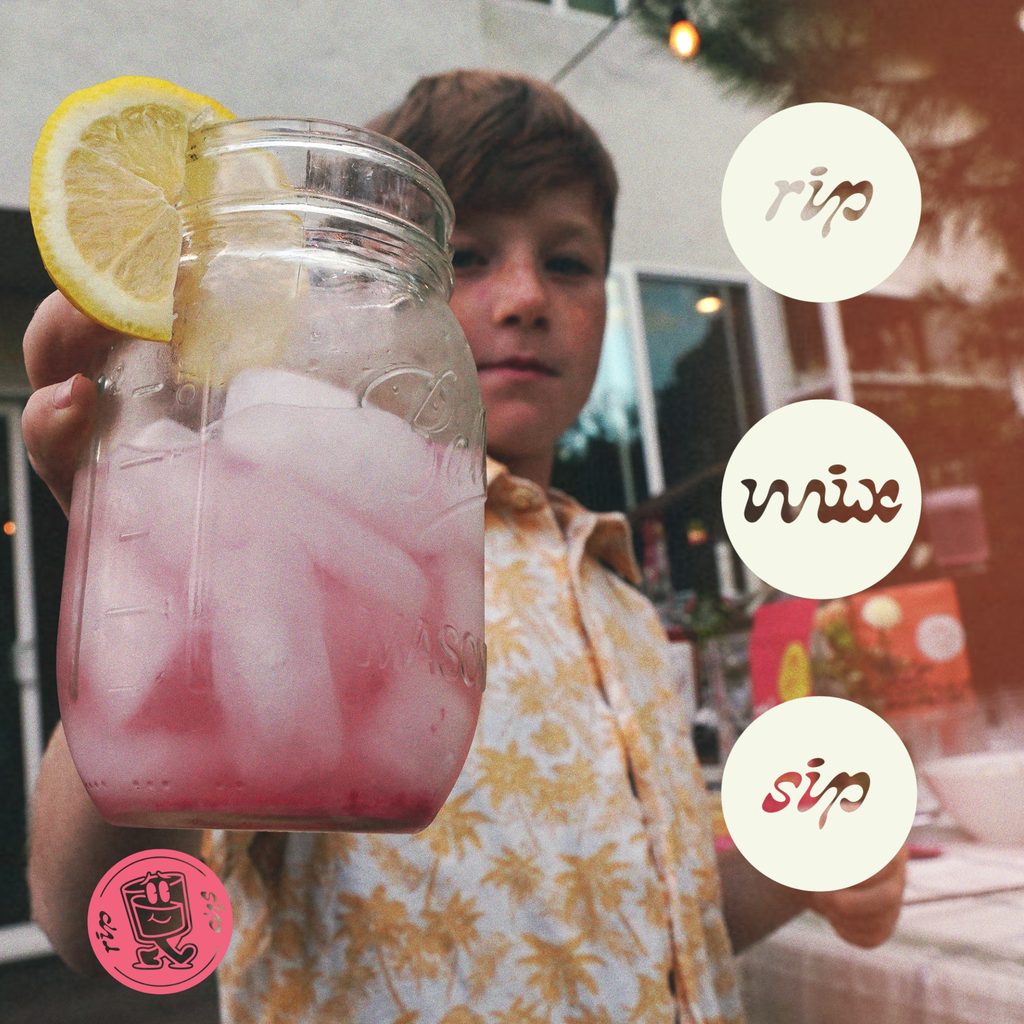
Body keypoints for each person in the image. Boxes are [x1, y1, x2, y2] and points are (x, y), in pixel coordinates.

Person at [24, 70, 906, 1023]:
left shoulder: (624, 604)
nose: (525, 296)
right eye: (469, 256)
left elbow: (650, 923)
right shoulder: (296, 537)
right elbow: (88, 922)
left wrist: (808, 874)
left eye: (567, 263)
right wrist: (156, 591)